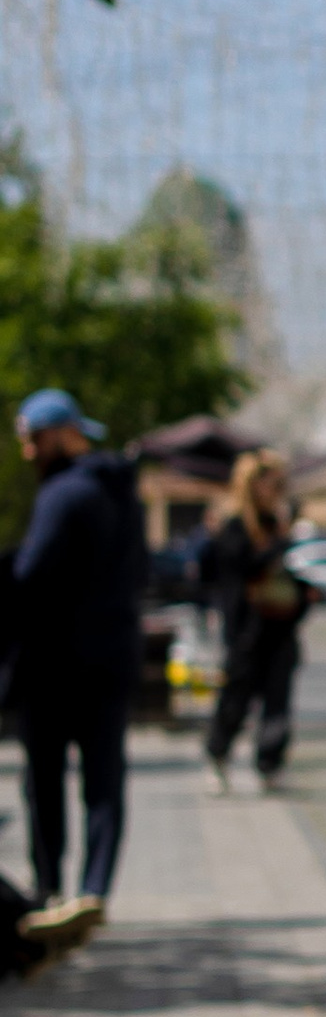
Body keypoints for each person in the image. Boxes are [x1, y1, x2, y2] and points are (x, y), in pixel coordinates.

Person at [5, 385, 147, 950]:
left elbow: (30, 576)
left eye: (32, 441)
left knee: (43, 779)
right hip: (113, 657)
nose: (28, 454)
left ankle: (48, 892)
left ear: (63, 435)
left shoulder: (64, 494)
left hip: (56, 662)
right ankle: (93, 892)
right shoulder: (123, 493)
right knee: (104, 778)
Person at [198, 449, 311, 794]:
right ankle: (218, 756)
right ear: (253, 485)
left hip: (279, 626)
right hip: (247, 629)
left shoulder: (276, 523)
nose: (278, 490)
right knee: (236, 698)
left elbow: (288, 572)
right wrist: (279, 543)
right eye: (272, 483)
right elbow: (239, 570)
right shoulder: (234, 526)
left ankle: (269, 764)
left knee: (278, 700)